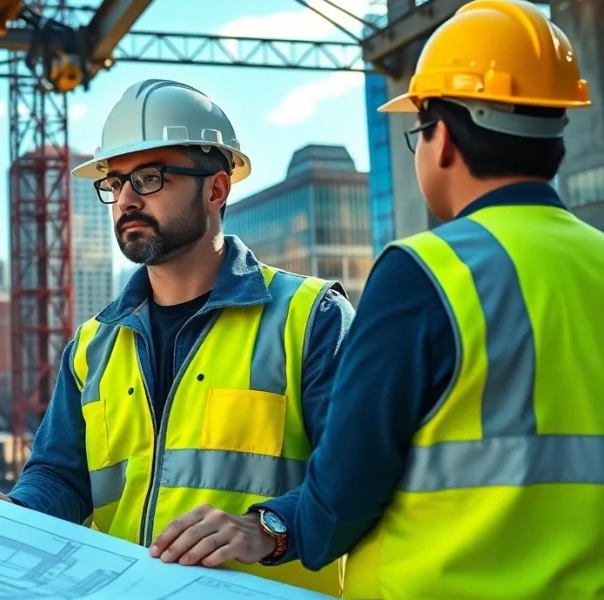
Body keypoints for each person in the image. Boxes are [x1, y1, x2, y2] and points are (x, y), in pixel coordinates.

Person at [210, 1, 604, 598]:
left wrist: (275, 527)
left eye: (417, 131)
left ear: (441, 138)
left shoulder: (425, 272)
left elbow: (346, 486)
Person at [0, 78, 355, 596]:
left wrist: (268, 528)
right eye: (115, 182)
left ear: (215, 189)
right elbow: (62, 476)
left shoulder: (310, 318)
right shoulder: (93, 344)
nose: (125, 198)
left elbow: (357, 475)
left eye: (148, 177)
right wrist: (17, 510)